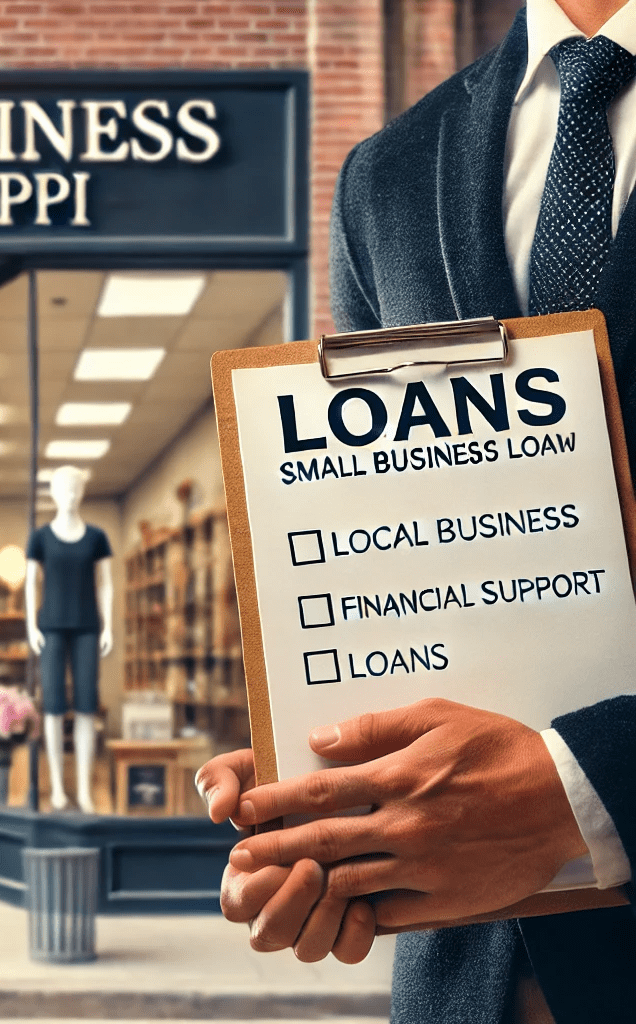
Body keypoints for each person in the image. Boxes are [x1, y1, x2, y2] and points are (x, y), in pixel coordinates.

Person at [197, 0, 636, 1020]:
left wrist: (595, 788)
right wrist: (335, 769)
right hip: (464, 990)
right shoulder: (389, 173)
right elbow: (413, 584)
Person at [25, 465, 113, 813]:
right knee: (53, 708)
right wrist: (31, 625)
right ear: (54, 493)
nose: (71, 494)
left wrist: (109, 627)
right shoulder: (40, 538)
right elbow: (31, 583)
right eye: (64, 489)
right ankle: (59, 789)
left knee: (87, 708)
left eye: (76, 488)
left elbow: (105, 582)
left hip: (88, 627)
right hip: (50, 628)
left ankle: (85, 790)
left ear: (82, 492)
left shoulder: (96, 537)